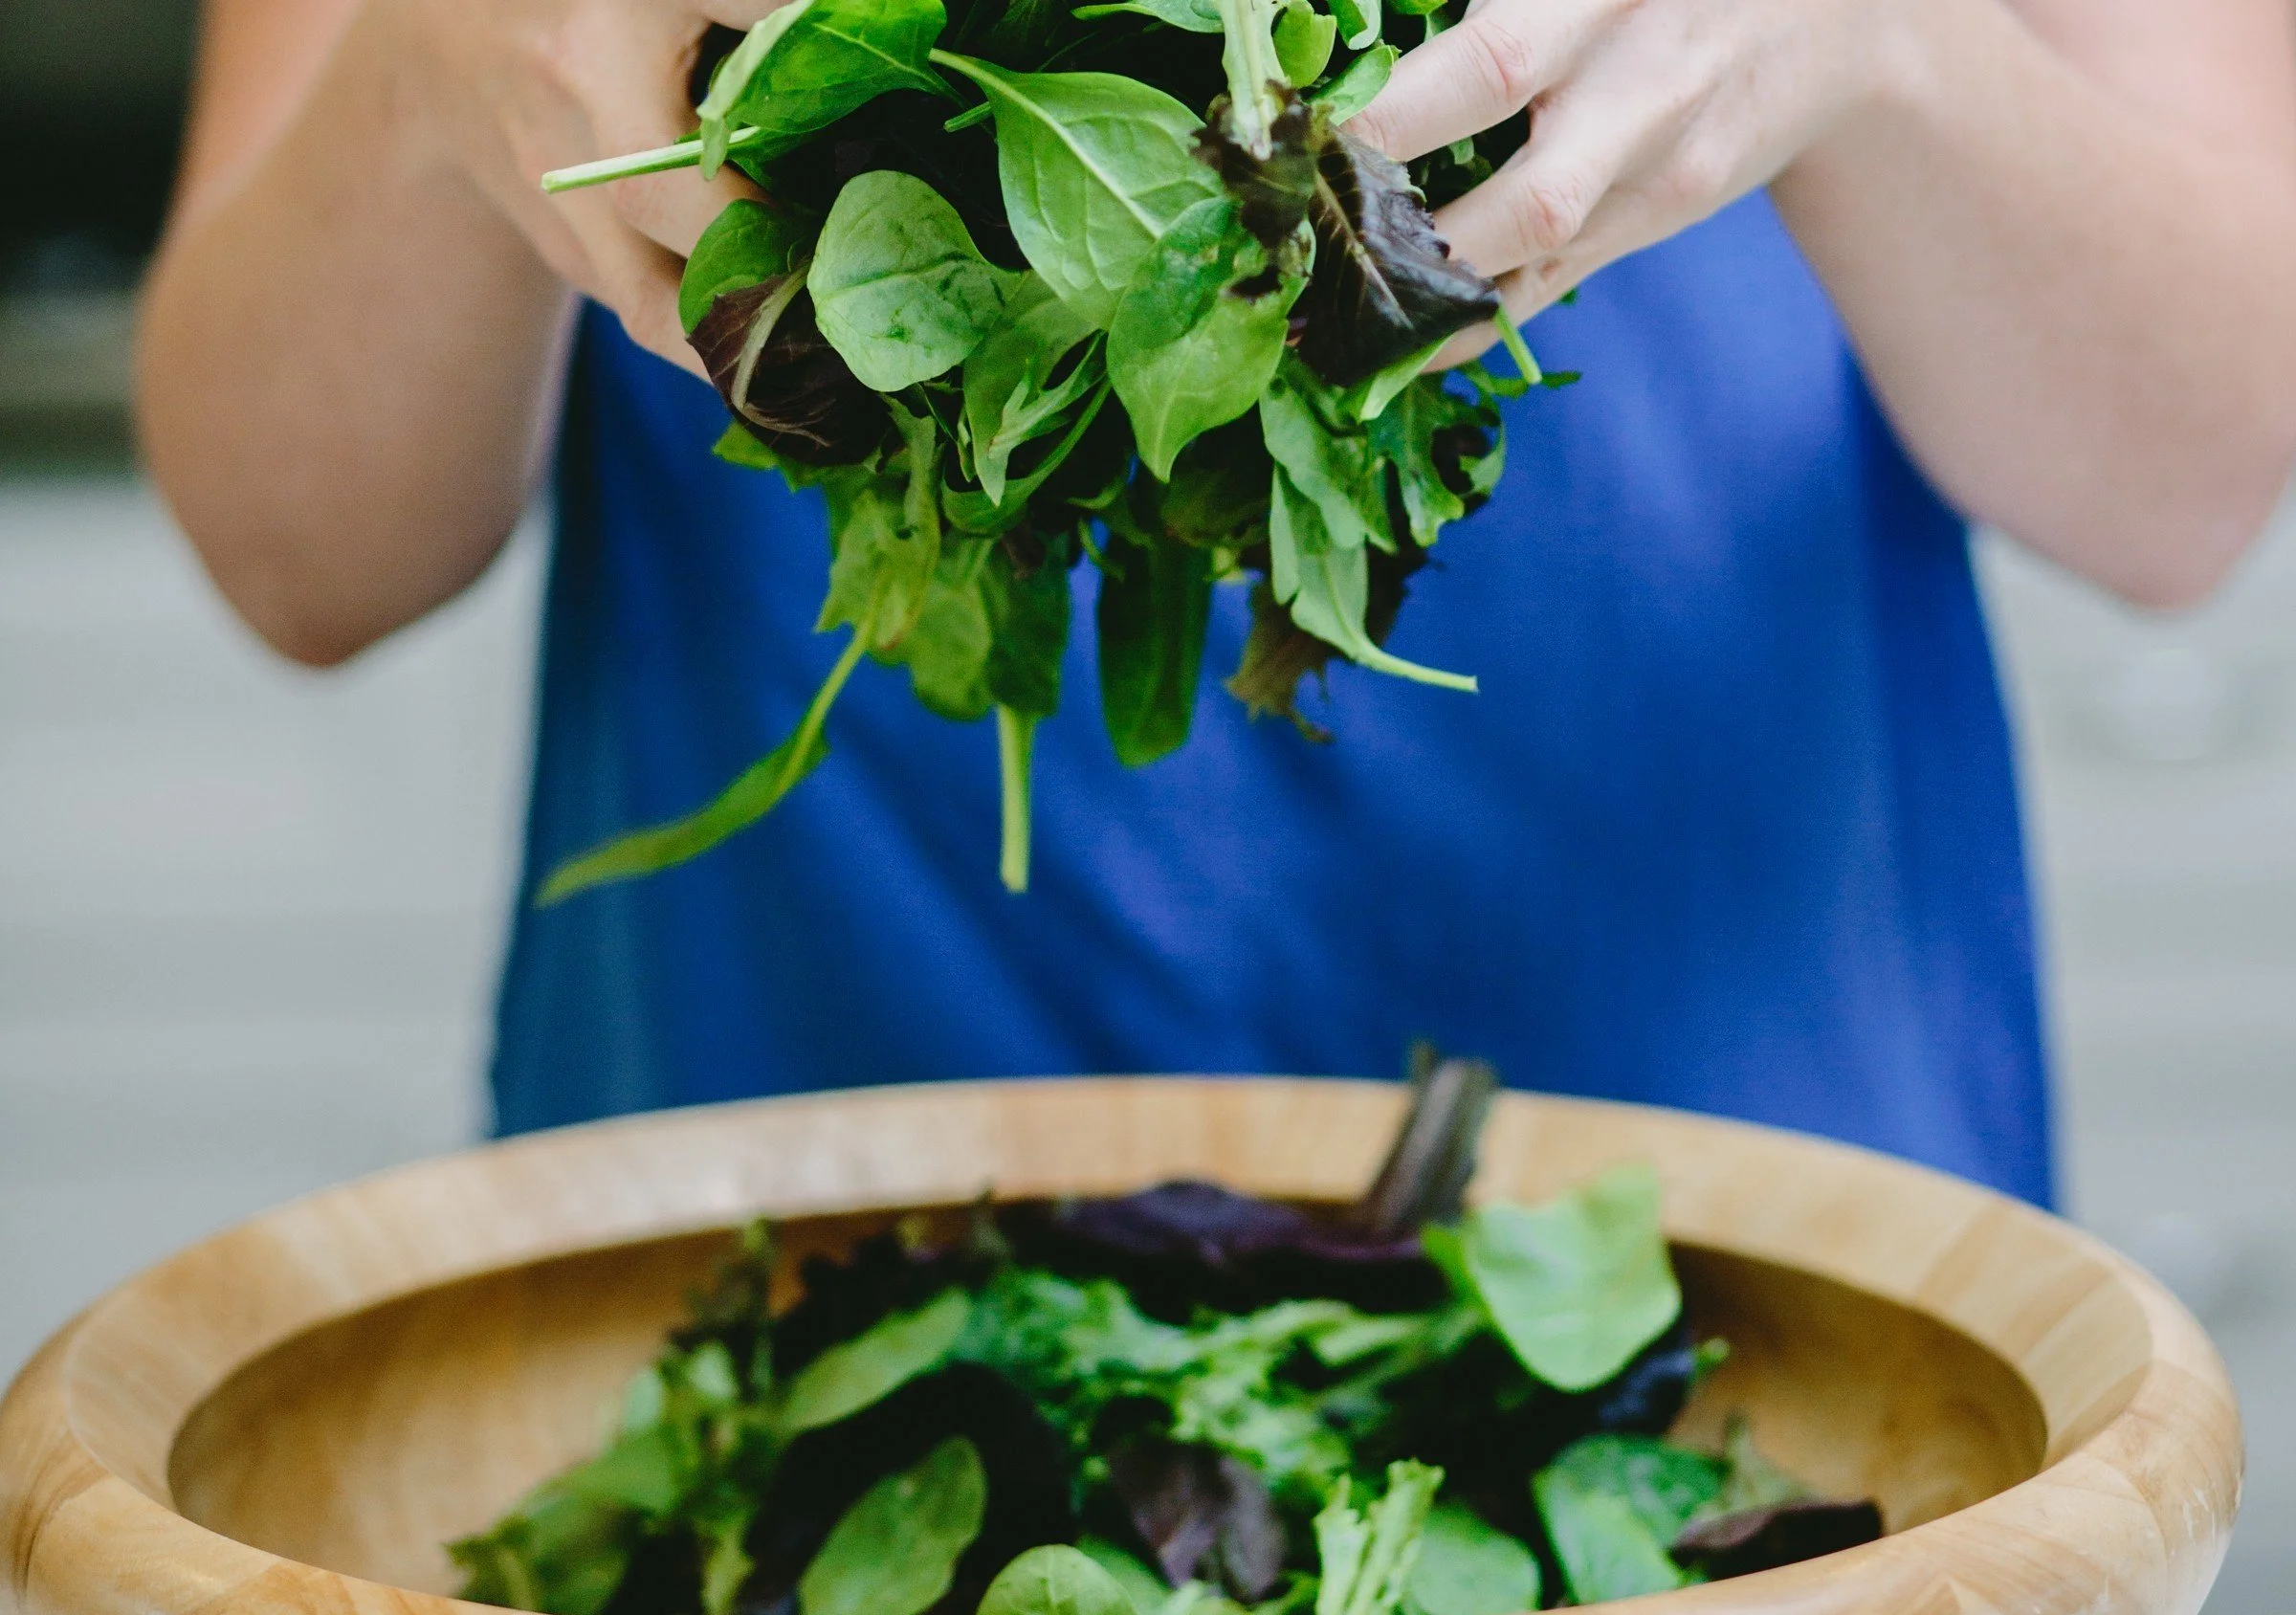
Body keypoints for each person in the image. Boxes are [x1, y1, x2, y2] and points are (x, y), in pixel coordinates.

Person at [140, 0, 2296, 1206]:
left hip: (1736, 1201)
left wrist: (1885, 43)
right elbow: (295, 548)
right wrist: (424, 68)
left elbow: (2188, 471)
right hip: (799, 1168)